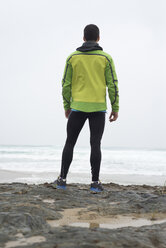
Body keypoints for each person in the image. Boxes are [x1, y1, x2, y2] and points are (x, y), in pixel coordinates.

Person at [54, 24, 119, 192]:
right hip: (98, 108)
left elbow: (65, 85)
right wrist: (115, 107)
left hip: (77, 107)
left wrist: (67, 106)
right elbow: (112, 84)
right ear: (98, 38)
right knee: (95, 144)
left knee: (70, 142)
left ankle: (62, 180)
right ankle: (95, 183)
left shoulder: (72, 58)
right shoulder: (106, 58)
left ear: (83, 38)